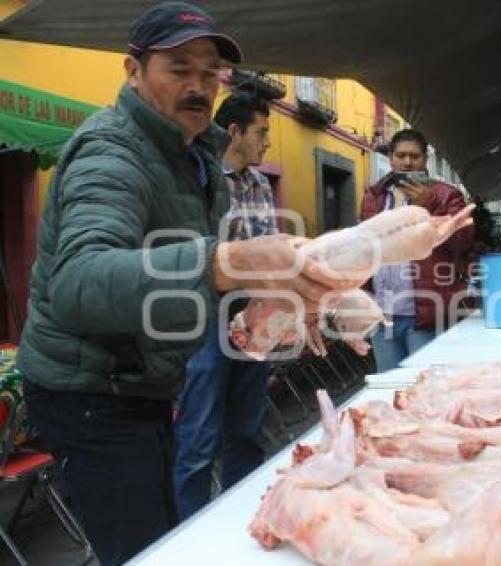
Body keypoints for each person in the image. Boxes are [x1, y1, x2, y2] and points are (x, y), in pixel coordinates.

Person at [17, 4, 349, 564]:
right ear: (132, 71)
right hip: (90, 392)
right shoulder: (111, 153)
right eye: (178, 68)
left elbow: (199, 275)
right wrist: (229, 262)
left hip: (144, 380)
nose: (199, 86)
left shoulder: (194, 156)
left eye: (210, 71)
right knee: (144, 546)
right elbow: (79, 280)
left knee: (169, 529)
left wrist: (273, 299)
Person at [173, 94, 275, 521]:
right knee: (198, 435)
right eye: (262, 132)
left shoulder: (262, 184)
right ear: (234, 132)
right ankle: (188, 537)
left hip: (252, 312)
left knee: (247, 429)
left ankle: (240, 523)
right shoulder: (198, 177)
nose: (267, 142)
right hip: (207, 316)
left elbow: (270, 251)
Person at [360, 129, 473, 372]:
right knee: (389, 386)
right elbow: (364, 246)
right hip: (382, 314)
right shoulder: (373, 196)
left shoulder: (446, 195)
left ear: (425, 160)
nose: (407, 162)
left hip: (423, 315)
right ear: (390, 158)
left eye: (414, 156)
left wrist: (430, 202)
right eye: (401, 155)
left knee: (425, 386)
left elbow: (464, 242)